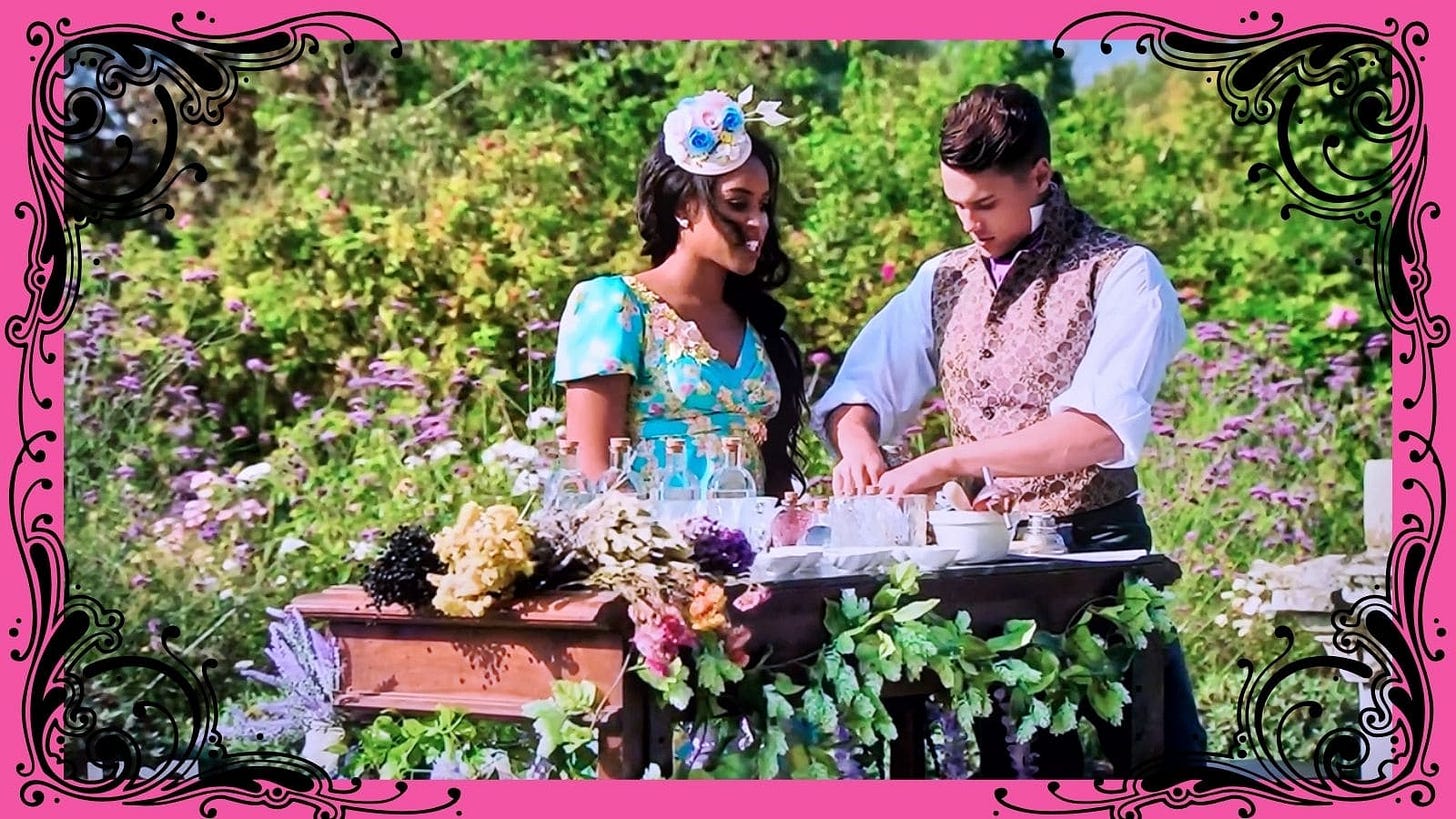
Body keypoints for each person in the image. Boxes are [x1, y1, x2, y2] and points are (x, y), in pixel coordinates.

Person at [811, 82, 1207, 767]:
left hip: (1095, 556)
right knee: (1009, 769)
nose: (969, 222)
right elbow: (858, 387)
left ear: (1041, 177)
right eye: (957, 204)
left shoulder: (1121, 272)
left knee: (1162, 763)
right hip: (981, 570)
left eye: (986, 203)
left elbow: (1099, 430)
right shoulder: (942, 279)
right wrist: (857, 444)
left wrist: (948, 461)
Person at [553, 86, 806, 497]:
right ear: (684, 207)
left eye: (763, 205)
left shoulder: (751, 320)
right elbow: (592, 469)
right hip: (651, 549)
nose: (758, 222)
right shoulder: (614, 306)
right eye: (738, 204)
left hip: (748, 550)